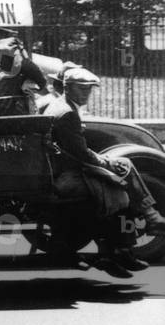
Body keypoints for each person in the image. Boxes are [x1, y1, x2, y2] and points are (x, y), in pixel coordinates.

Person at [47, 67, 165, 276]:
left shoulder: (59, 107)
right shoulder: (66, 113)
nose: (86, 93)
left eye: (89, 89)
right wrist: (106, 163)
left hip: (66, 169)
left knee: (123, 168)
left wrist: (107, 162)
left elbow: (77, 149)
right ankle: (120, 245)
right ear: (67, 88)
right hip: (67, 176)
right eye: (80, 88)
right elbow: (80, 154)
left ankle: (121, 247)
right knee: (120, 188)